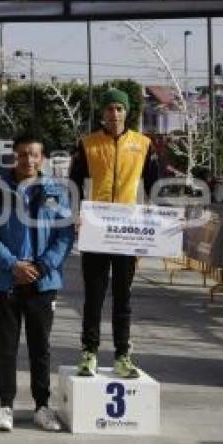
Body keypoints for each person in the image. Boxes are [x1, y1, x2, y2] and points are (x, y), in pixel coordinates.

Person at [0, 136, 73, 432]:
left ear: (42, 158)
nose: (27, 160)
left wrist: (43, 265)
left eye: (33, 155)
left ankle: (42, 406)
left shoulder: (57, 190)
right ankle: (5, 405)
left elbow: (65, 234)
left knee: (39, 347)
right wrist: (12, 264)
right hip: (6, 279)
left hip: (43, 280)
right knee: (6, 347)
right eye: (21, 155)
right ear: (13, 157)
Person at [69, 88, 160, 378]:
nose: (114, 113)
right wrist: (76, 216)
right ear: (102, 113)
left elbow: (154, 187)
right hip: (96, 229)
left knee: (123, 296)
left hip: (127, 232)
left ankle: (122, 354)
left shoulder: (144, 144)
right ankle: (89, 353)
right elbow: (73, 184)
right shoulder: (88, 144)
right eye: (109, 108)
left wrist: (152, 222)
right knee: (94, 295)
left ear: (127, 112)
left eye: (119, 109)